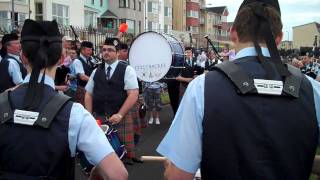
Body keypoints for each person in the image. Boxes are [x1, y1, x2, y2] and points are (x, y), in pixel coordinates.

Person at [157, 0, 320, 179]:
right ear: (279, 38)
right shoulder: (312, 90)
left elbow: (178, 175)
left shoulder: (201, 88)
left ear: (233, 33)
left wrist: (171, 167)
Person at [0, 19, 127, 180]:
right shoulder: (75, 113)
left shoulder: (2, 101)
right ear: (61, 59)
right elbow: (118, 175)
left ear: (23, 57)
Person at [84, 37, 142, 164]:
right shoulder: (96, 71)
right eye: (104, 50)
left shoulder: (127, 70)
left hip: (119, 117)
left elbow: (133, 94)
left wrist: (120, 114)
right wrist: (89, 115)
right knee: (101, 157)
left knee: (121, 157)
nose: (106, 52)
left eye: (110, 50)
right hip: (99, 117)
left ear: (117, 53)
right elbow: (88, 94)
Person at [73, 41, 96, 105]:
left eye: (91, 50)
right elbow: (82, 77)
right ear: (82, 50)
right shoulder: (77, 61)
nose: (90, 52)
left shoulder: (91, 59)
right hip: (82, 89)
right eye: (88, 50)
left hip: (91, 89)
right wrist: (95, 81)